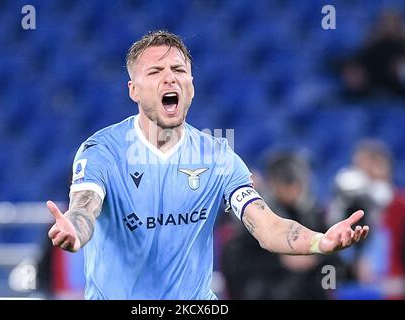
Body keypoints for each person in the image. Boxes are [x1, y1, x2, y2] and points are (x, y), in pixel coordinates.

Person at [46, 30, 369, 300]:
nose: (169, 79)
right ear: (134, 90)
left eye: (178, 70)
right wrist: (73, 230)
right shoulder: (102, 150)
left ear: (191, 85)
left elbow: (267, 227)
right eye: (155, 72)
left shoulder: (218, 157)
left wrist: (320, 241)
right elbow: (84, 209)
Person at [221, 152, 344, 299]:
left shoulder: (312, 216)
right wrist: (281, 261)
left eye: (296, 183)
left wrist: (317, 259)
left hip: (308, 289)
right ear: (273, 183)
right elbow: (236, 265)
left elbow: (334, 263)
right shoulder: (257, 216)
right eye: (287, 183)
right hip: (269, 290)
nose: (292, 189)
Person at [327, 139, 405, 299]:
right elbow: (329, 269)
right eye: (361, 169)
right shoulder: (340, 208)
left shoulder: (401, 206)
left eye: (374, 167)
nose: (368, 175)